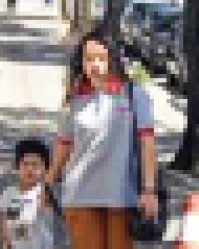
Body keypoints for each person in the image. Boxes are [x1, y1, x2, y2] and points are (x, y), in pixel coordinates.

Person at [45, 29, 158, 249]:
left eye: (101, 58)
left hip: (123, 195)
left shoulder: (133, 95)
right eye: (88, 58)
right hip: (80, 195)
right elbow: (64, 145)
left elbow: (147, 144)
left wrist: (149, 190)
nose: (95, 64)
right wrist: (48, 184)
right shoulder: (74, 98)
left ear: (112, 60)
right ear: (81, 61)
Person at [0, 138, 57, 249]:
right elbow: (5, 225)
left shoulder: (45, 194)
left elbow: (26, 216)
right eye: (25, 164)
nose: (30, 169)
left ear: (46, 169)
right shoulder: (9, 194)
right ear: (17, 167)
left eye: (35, 165)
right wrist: (6, 243)